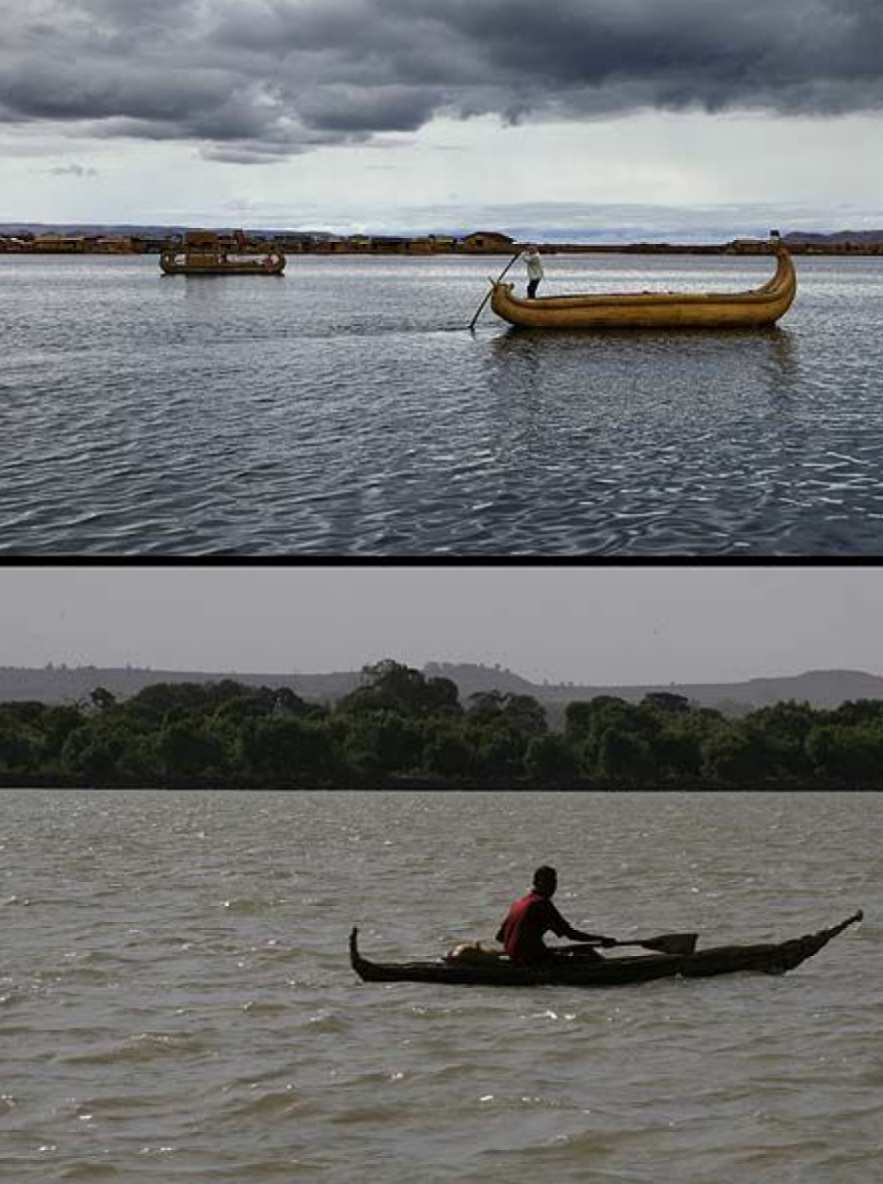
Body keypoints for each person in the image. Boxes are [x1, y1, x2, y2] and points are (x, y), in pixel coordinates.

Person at [496, 866, 617, 966]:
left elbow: (500, 937)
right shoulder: (541, 904)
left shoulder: (519, 903)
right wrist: (602, 939)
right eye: (548, 882)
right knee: (587, 956)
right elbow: (570, 934)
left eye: (554, 882)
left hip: (516, 959)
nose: (552, 886)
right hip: (532, 961)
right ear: (536, 883)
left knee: (573, 951)